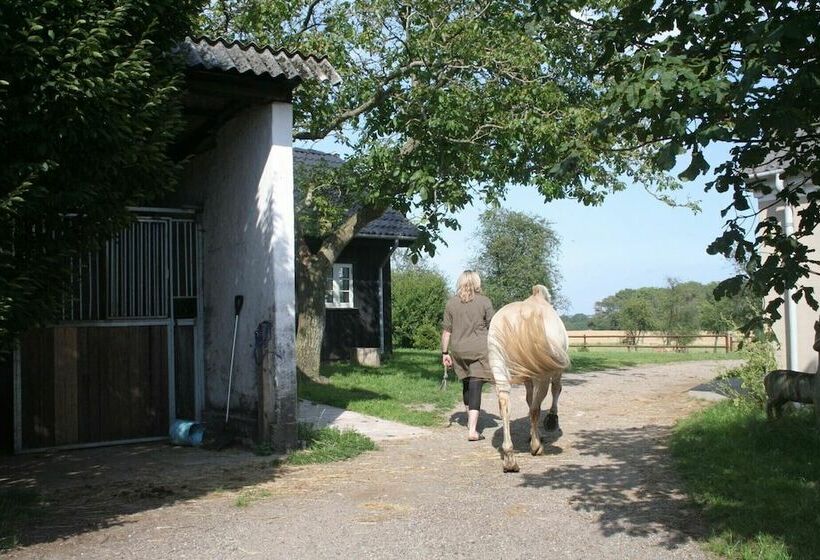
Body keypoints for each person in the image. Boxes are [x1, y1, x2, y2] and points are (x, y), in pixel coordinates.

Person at [441, 270, 495, 441]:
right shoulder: (485, 302)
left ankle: (468, 421)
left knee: (466, 382)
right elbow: (493, 326)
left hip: (458, 350)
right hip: (480, 350)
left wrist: (445, 353)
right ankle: (472, 430)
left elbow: (446, 332)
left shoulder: (451, 303)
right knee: (475, 385)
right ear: (477, 283)